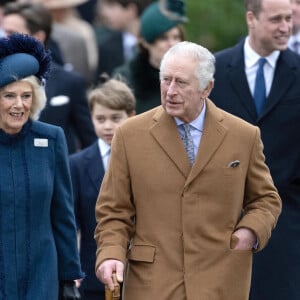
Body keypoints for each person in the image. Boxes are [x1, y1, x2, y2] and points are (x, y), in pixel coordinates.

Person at [94, 41, 282, 300]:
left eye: (181, 82)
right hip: (152, 284)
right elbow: (114, 210)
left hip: (221, 280)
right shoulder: (129, 135)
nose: (170, 91)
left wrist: (248, 233)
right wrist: (111, 254)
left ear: (207, 87)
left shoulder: (244, 136)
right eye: (166, 80)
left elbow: (265, 200)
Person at [209, 0, 300, 299]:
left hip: (287, 224)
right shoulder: (215, 70)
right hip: (219, 222)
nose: (285, 27)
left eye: (288, 18)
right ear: (251, 18)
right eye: (276, 19)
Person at [0, 32, 83, 299]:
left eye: (26, 95)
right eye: (9, 96)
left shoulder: (50, 139)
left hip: (41, 276)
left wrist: (69, 276)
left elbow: (63, 215)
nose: (19, 105)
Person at [69, 76, 136, 300]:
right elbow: (72, 220)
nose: (108, 126)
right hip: (93, 271)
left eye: (116, 118)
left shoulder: (144, 159)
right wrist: (72, 266)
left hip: (138, 270)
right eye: (100, 118)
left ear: (132, 116)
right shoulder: (77, 164)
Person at [2, 1, 97, 154]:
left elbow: (90, 142)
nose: (5, 39)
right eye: (4, 33)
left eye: (12, 33)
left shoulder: (70, 82)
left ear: (38, 37)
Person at [113, 0, 187, 114]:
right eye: (163, 38)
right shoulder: (126, 79)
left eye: (176, 37)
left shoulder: (192, 76)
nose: (172, 43)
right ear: (145, 42)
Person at [95, 0, 154, 78]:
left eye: (112, 7)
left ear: (131, 10)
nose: (106, 13)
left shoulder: (153, 42)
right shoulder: (106, 46)